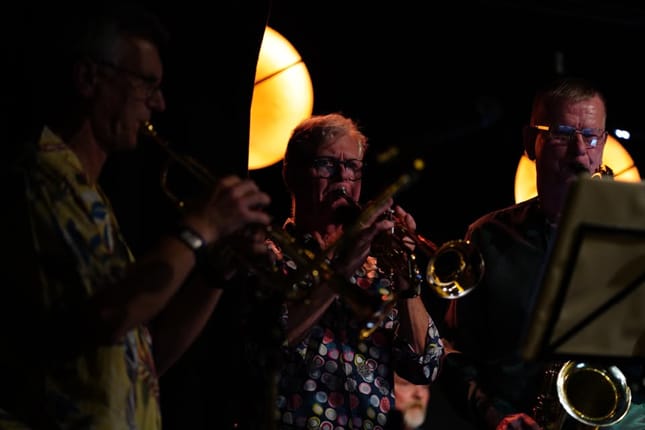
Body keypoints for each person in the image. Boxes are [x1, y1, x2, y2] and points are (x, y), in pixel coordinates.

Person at [0, 3, 272, 429]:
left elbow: (149, 360)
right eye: (147, 83)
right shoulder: (36, 179)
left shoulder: (92, 201)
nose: (159, 103)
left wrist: (215, 273)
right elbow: (108, 317)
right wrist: (201, 226)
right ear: (89, 78)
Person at [439, 76, 644, 429]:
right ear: (530, 141)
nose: (580, 152)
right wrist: (496, 416)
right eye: (562, 134)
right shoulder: (487, 237)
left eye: (591, 136)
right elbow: (456, 354)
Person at [271, 112, 444, 429]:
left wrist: (405, 275)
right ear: (292, 174)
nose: (343, 177)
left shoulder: (378, 267)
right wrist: (344, 264)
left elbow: (425, 365)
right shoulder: (271, 255)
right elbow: (270, 343)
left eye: (353, 166)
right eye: (327, 164)